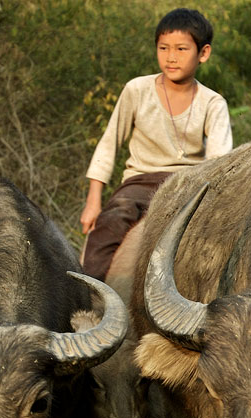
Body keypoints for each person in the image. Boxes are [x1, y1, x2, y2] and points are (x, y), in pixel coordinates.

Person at [78, 8, 233, 279]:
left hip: (189, 186)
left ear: (203, 53)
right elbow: (108, 143)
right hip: (140, 184)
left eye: (182, 49)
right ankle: (90, 297)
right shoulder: (137, 90)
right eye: (164, 48)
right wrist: (93, 201)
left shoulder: (213, 103)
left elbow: (220, 163)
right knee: (112, 222)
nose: (171, 57)